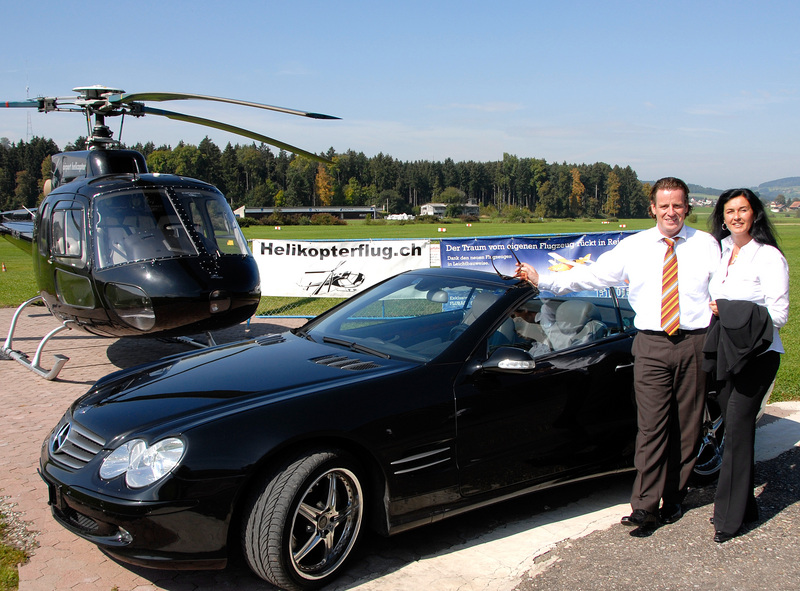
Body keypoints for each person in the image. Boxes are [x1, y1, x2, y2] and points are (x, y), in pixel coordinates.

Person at [515, 177, 721, 535]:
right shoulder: (634, 246)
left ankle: (674, 497)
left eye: (677, 205)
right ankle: (644, 507)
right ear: (653, 208)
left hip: (695, 342)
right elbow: (591, 275)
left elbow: (724, 286)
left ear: (687, 207)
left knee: (688, 427)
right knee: (651, 427)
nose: (671, 212)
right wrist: (543, 280)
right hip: (652, 345)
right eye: (664, 205)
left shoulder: (706, 245)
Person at [704, 189, 789, 543]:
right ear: (722, 217)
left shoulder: (768, 257)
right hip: (726, 352)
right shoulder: (720, 251)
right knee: (736, 432)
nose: (736, 216)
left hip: (757, 355)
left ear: (755, 213)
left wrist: (729, 309)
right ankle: (746, 507)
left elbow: (779, 315)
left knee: (737, 431)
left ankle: (728, 518)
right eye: (730, 211)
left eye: (743, 210)